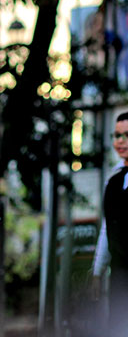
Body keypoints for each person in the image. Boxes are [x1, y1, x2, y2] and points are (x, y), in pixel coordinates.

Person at [92, 112, 128, 336]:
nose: (120, 141)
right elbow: (108, 227)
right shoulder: (113, 179)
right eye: (116, 135)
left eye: (126, 135)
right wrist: (98, 270)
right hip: (120, 274)